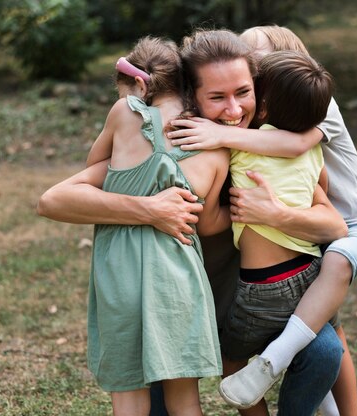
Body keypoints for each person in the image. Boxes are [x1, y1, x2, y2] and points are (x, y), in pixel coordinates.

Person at [41, 29, 345, 415]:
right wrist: (152, 209)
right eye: (217, 97)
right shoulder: (183, 145)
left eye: (243, 93)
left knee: (325, 349)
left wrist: (275, 214)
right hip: (181, 303)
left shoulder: (271, 144)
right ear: (192, 98)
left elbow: (334, 225)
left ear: (260, 90)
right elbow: (54, 198)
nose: (233, 111)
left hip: (246, 302)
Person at [166, 25, 357, 416]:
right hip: (307, 265)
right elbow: (314, 173)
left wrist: (270, 211)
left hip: (341, 233)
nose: (237, 104)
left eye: (252, 79)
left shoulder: (305, 113)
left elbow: (336, 222)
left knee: (234, 359)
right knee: (325, 322)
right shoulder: (285, 134)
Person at [38, 36, 232, 416]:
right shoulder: (216, 147)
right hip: (179, 280)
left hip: (119, 276)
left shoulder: (125, 113)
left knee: (128, 397)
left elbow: (98, 164)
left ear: (139, 87)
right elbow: (207, 226)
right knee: (185, 400)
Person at [212, 48, 338, 412]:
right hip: (310, 274)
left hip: (264, 289)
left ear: (262, 107)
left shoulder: (242, 149)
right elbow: (322, 188)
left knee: (230, 364)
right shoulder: (311, 150)